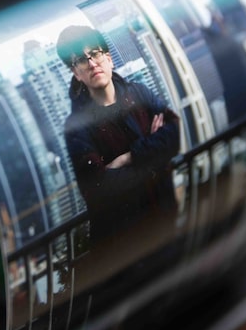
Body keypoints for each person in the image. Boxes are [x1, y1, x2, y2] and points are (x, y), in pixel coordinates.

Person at [56, 25, 180, 252]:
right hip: (124, 244)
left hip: (165, 222)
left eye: (95, 53)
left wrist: (130, 157)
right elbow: (98, 188)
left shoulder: (139, 94)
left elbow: (174, 133)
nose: (92, 63)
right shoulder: (77, 127)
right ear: (77, 73)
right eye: (82, 60)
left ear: (109, 59)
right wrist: (154, 157)